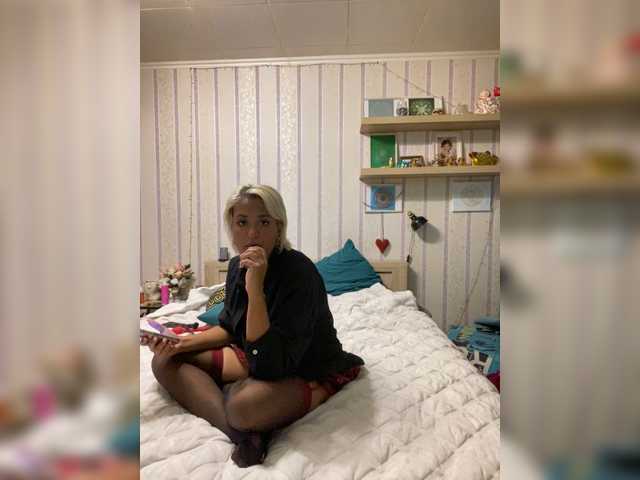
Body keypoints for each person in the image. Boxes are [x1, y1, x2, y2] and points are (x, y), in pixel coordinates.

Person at [142, 184, 364, 467]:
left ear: (278, 227)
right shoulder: (236, 266)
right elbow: (229, 328)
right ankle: (244, 435)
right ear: (231, 228)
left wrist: (255, 288)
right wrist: (182, 343)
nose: (252, 234)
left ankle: (290, 402)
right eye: (242, 223)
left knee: (243, 406)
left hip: (302, 365)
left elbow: (270, 367)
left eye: (264, 222)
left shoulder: (300, 273)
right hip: (254, 354)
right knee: (164, 361)